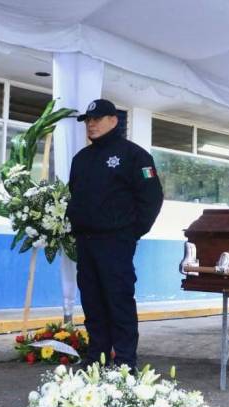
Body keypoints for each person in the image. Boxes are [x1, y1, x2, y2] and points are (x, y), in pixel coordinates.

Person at [66, 99, 164, 369]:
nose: (91, 124)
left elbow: (152, 198)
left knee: (118, 300)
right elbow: (75, 196)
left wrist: (131, 232)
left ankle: (124, 362)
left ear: (113, 120)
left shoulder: (134, 156)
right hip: (86, 242)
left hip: (115, 242)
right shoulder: (81, 159)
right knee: (92, 301)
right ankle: (96, 358)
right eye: (88, 120)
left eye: (97, 119)